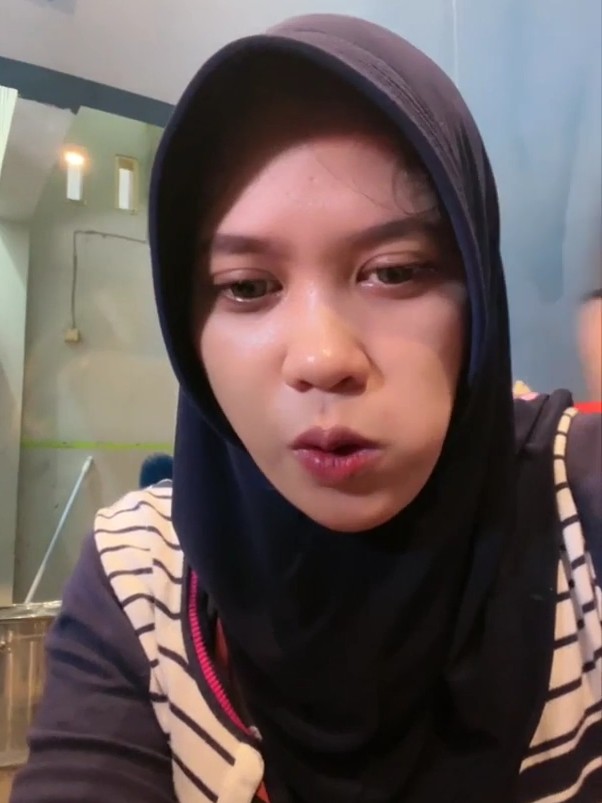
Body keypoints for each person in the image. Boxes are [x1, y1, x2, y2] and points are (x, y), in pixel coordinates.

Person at [10, 14, 601, 803]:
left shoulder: (580, 507)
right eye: (248, 287)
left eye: (394, 271)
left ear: (477, 293)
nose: (323, 358)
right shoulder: (141, 572)